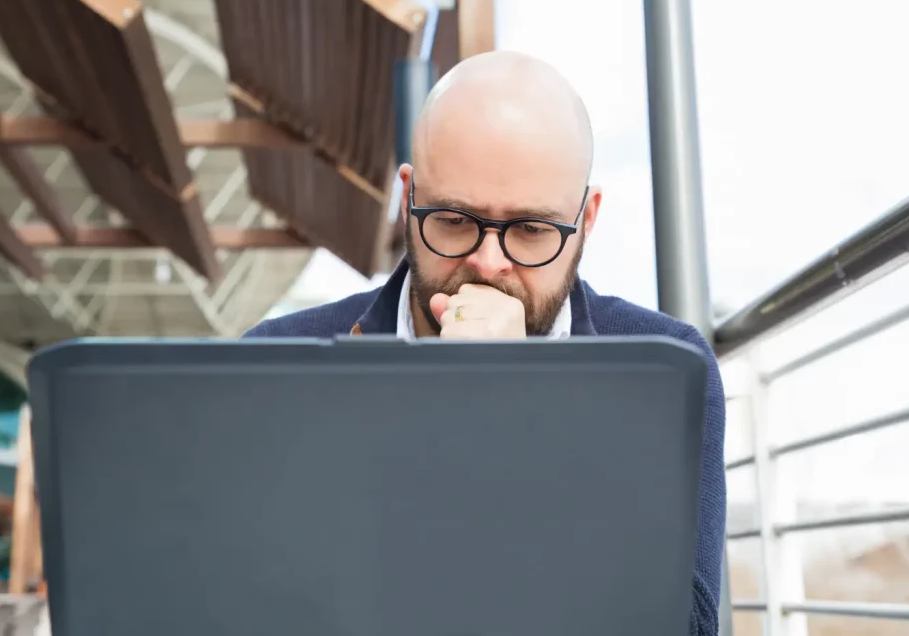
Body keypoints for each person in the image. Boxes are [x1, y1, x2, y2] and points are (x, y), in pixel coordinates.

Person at [244, 50, 727, 636]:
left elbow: (686, 627)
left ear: (587, 220)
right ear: (409, 198)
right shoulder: (277, 359)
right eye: (452, 219)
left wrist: (519, 407)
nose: (488, 262)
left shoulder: (665, 369)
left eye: (530, 230)